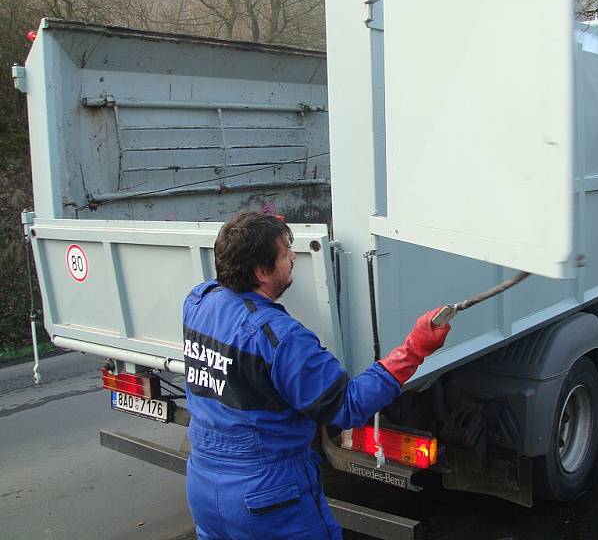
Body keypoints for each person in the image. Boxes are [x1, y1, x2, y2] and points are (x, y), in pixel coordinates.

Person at [182, 211, 451, 540]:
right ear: (262, 272)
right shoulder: (282, 339)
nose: (293, 257)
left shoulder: (198, 301)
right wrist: (414, 349)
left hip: (204, 486)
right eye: (284, 253)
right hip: (266, 498)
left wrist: (256, 232)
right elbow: (347, 406)